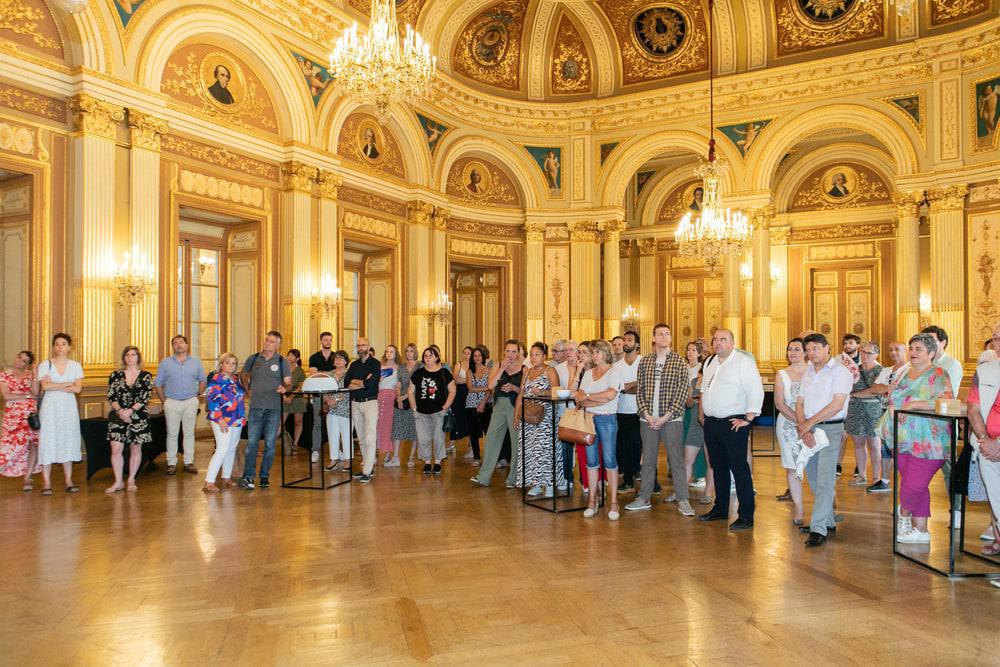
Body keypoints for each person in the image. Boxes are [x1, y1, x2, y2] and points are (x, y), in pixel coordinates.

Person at [879, 334, 955, 543]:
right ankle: (920, 530)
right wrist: (891, 392)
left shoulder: (939, 373)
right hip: (902, 439)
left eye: (918, 349)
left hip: (929, 441)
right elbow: (894, 400)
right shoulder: (905, 372)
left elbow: (945, 401)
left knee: (914, 484)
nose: (913, 352)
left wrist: (914, 405)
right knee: (914, 485)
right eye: (911, 348)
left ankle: (903, 515)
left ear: (931, 353)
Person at [698, 329, 763, 531]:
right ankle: (721, 508)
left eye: (723, 340)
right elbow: (704, 389)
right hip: (711, 423)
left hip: (733, 423)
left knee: (739, 469)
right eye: (715, 340)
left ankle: (745, 516)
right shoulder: (710, 362)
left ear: (733, 342)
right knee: (718, 467)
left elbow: (755, 389)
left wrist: (749, 418)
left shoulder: (743, 362)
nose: (718, 343)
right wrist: (702, 414)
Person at [794, 333, 854, 547]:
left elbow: (837, 404)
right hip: (808, 428)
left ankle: (818, 528)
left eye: (816, 348)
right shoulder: (808, 371)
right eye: (808, 350)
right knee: (813, 478)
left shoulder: (840, 372)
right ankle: (827, 521)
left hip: (830, 429)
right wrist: (804, 427)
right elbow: (800, 402)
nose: (811, 353)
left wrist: (808, 424)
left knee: (826, 478)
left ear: (827, 348)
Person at [627, 324, 691, 515]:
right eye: (660, 334)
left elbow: (681, 393)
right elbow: (641, 392)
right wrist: (646, 414)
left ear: (670, 338)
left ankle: (683, 499)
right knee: (648, 460)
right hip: (647, 419)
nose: (664, 336)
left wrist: (665, 417)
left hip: (671, 419)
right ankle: (644, 497)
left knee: (676, 460)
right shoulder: (645, 362)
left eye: (667, 334)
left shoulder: (679, 362)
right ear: (653, 338)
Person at [574, 340, 623, 520]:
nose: (594, 356)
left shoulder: (614, 371)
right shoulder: (587, 373)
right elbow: (579, 399)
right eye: (592, 353)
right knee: (592, 461)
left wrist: (588, 397)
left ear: (605, 353)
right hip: (589, 419)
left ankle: (613, 503)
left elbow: (611, 395)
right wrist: (591, 399)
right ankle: (592, 502)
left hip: (607, 419)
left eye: (597, 352)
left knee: (610, 460)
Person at [238, 331, 291, 490]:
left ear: (277, 345)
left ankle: (264, 476)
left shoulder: (282, 361)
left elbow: (288, 383)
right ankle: (248, 476)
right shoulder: (253, 358)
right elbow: (243, 374)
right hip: (255, 408)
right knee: (252, 443)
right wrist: (246, 388)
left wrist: (284, 388)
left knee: (269, 444)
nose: (267, 343)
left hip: (274, 409)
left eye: (272, 341)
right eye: (266, 340)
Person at [855, 341, 909, 493]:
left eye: (897, 349)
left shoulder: (910, 369)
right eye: (891, 349)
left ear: (905, 350)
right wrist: (886, 388)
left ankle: (906, 483)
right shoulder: (887, 370)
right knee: (886, 448)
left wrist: (886, 389)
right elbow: (875, 388)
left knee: (901, 449)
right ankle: (884, 481)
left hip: (903, 414)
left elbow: (901, 391)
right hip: (886, 411)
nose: (893, 352)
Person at [471, 340, 524, 488]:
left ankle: (513, 478)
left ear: (518, 353)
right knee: (491, 439)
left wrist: (514, 388)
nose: (510, 354)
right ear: (504, 351)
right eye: (508, 351)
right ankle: (484, 476)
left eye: (514, 351)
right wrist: (502, 368)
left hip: (516, 407)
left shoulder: (524, 368)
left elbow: (526, 391)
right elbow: (490, 385)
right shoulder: (497, 365)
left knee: (515, 443)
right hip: (499, 405)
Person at [967, 324, 1000, 557]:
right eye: (995, 338)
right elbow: (973, 408)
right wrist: (985, 440)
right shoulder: (985, 370)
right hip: (986, 447)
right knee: (997, 504)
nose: (998, 343)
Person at [36, 333, 83, 495]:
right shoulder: (45, 364)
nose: (60, 346)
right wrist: (67, 383)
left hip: (68, 408)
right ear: (53, 347)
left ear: (69, 347)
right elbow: (45, 387)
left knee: (67, 439)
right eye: (57, 344)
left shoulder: (76, 365)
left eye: (63, 343)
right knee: (48, 440)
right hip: (50, 408)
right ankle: (46, 482)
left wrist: (54, 384)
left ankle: (69, 480)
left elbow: (78, 389)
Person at [514, 342, 561, 497]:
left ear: (544, 356)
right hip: (527, 417)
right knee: (531, 451)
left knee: (545, 451)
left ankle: (549, 484)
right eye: (532, 354)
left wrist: (542, 392)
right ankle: (535, 483)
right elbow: (521, 394)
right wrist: (516, 415)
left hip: (544, 417)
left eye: (537, 354)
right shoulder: (526, 372)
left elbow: (557, 391)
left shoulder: (550, 370)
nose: (533, 358)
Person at [154, 335, 206, 475]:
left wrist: (199, 395)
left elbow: (203, 380)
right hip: (172, 402)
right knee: (172, 433)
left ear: (187, 345)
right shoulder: (165, 363)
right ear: (172, 347)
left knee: (189, 433)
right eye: (175, 343)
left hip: (190, 401)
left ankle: (189, 462)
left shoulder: (195, 362)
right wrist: (164, 400)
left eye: (181, 342)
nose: (178, 345)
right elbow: (158, 383)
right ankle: (171, 463)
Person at [105, 346, 153, 494]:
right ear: (124, 357)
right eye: (127, 355)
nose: (130, 357)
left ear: (138, 357)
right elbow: (111, 395)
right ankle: (118, 481)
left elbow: (145, 397)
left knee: (135, 447)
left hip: (138, 416)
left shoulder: (146, 376)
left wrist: (131, 411)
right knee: (116, 449)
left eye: (133, 354)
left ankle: (131, 479)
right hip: (118, 416)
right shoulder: (115, 375)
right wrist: (121, 411)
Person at [408, 347, 456, 474]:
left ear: (436, 357)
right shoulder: (418, 373)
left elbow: (452, 390)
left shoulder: (444, 373)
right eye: (425, 356)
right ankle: (427, 461)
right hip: (421, 412)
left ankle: (438, 462)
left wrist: (445, 407)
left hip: (438, 411)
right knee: (423, 438)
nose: (427, 358)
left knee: (438, 437)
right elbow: (410, 392)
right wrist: (414, 408)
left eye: (430, 355)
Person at [774, 338, 807, 525]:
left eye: (797, 349)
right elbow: (780, 403)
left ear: (805, 352)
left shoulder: (813, 372)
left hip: (813, 423)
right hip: (788, 425)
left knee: (817, 465)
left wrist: (809, 423)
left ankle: (826, 505)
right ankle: (799, 508)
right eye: (790, 349)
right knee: (793, 466)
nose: (793, 352)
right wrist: (800, 422)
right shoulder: (782, 374)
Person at [203, 353, 246, 492]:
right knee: (222, 448)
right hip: (221, 419)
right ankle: (209, 481)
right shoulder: (216, 379)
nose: (231, 366)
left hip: (236, 418)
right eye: (228, 363)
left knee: (232, 448)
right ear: (222, 364)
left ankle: (227, 477)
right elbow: (212, 401)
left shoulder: (235, 379)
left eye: (234, 363)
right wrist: (220, 419)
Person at [845, 341, 884, 489]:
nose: (865, 355)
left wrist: (854, 394)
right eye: (862, 352)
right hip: (855, 410)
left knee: (874, 445)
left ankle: (876, 477)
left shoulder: (881, 371)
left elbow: (875, 390)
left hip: (873, 411)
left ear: (876, 355)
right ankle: (861, 475)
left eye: (869, 353)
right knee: (859, 444)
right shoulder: (854, 370)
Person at [0, 350, 39, 489]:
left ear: (27, 365)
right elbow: (6, 396)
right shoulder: (5, 374)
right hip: (13, 416)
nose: (19, 361)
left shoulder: (30, 375)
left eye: (24, 361)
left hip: (30, 415)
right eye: (19, 357)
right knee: (9, 446)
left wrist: (35, 375)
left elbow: (36, 393)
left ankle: (27, 478)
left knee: (33, 445)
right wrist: (27, 396)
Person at [345, 336, 381, 483]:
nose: (361, 348)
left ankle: (366, 470)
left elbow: (371, 383)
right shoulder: (353, 365)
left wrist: (359, 382)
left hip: (370, 403)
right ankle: (368, 467)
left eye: (363, 345)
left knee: (370, 437)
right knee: (362, 438)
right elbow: (347, 383)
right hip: (355, 403)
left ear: (368, 346)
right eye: (358, 345)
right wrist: (361, 382)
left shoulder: (375, 364)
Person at [682, 340, 713, 502]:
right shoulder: (695, 381)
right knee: (687, 459)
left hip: (709, 424)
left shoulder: (715, 382)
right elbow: (688, 402)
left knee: (710, 461)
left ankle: (708, 494)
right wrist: (690, 399)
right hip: (695, 422)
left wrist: (701, 400)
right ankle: (682, 493)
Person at [615, 331, 642, 492]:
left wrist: (627, 387)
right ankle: (627, 479)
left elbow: (645, 388)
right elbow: (619, 388)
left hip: (640, 411)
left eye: (629, 340)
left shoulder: (643, 362)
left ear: (637, 345)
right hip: (621, 410)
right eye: (624, 339)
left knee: (638, 445)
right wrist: (635, 384)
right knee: (623, 446)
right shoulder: (617, 366)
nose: (626, 342)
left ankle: (639, 473)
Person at [554, 340, 579, 491]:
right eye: (566, 350)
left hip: (581, 411)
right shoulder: (558, 368)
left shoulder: (585, 367)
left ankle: (585, 481)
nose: (568, 352)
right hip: (563, 411)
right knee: (565, 446)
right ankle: (567, 477)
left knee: (583, 447)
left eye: (571, 350)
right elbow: (555, 389)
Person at [323, 351, 352, 471]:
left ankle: (348, 461)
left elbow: (350, 391)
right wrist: (327, 399)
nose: (338, 360)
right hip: (332, 409)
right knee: (332, 434)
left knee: (346, 435)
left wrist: (335, 399)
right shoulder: (328, 374)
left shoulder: (350, 374)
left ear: (346, 361)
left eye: (341, 359)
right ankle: (333, 459)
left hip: (346, 409)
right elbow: (323, 390)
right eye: (336, 359)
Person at [464, 347, 491, 465]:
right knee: (473, 432)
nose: (477, 358)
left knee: (488, 431)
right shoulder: (469, 371)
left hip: (486, 403)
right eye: (475, 356)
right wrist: (487, 388)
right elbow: (470, 388)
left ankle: (490, 457)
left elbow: (491, 389)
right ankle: (476, 456)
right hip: (471, 404)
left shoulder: (489, 370)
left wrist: (483, 402)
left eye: (479, 355)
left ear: (483, 357)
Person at [395, 343, 419, 467]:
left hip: (415, 400)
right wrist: (399, 398)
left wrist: (405, 397)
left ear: (415, 352)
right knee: (398, 427)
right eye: (407, 351)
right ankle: (395, 456)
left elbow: (418, 386)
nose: (409, 353)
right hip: (402, 399)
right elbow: (398, 383)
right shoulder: (402, 366)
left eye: (411, 351)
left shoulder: (420, 366)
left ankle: (411, 457)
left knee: (414, 429)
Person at [377, 345, 401, 466]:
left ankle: (388, 453)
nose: (389, 354)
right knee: (377, 424)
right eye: (387, 351)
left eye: (392, 352)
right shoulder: (380, 366)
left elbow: (401, 384)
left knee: (388, 425)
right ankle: (378, 453)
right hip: (378, 395)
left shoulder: (399, 368)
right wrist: (378, 379)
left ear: (396, 353)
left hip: (391, 396)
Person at [284, 349, 307, 456]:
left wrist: (291, 397)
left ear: (297, 358)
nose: (289, 357)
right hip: (284, 397)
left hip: (297, 398)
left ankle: (295, 444)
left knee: (298, 422)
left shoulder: (300, 371)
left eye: (292, 355)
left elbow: (300, 387)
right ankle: (270, 445)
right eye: (288, 355)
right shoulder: (283, 370)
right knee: (279, 422)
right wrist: (284, 397)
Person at [450, 346, 472, 452]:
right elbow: (456, 379)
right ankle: (452, 444)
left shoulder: (474, 365)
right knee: (456, 416)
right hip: (459, 393)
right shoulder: (458, 364)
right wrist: (468, 381)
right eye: (465, 353)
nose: (466, 355)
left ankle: (471, 445)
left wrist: (465, 380)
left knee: (469, 418)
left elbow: (474, 381)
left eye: (469, 353)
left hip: (470, 394)